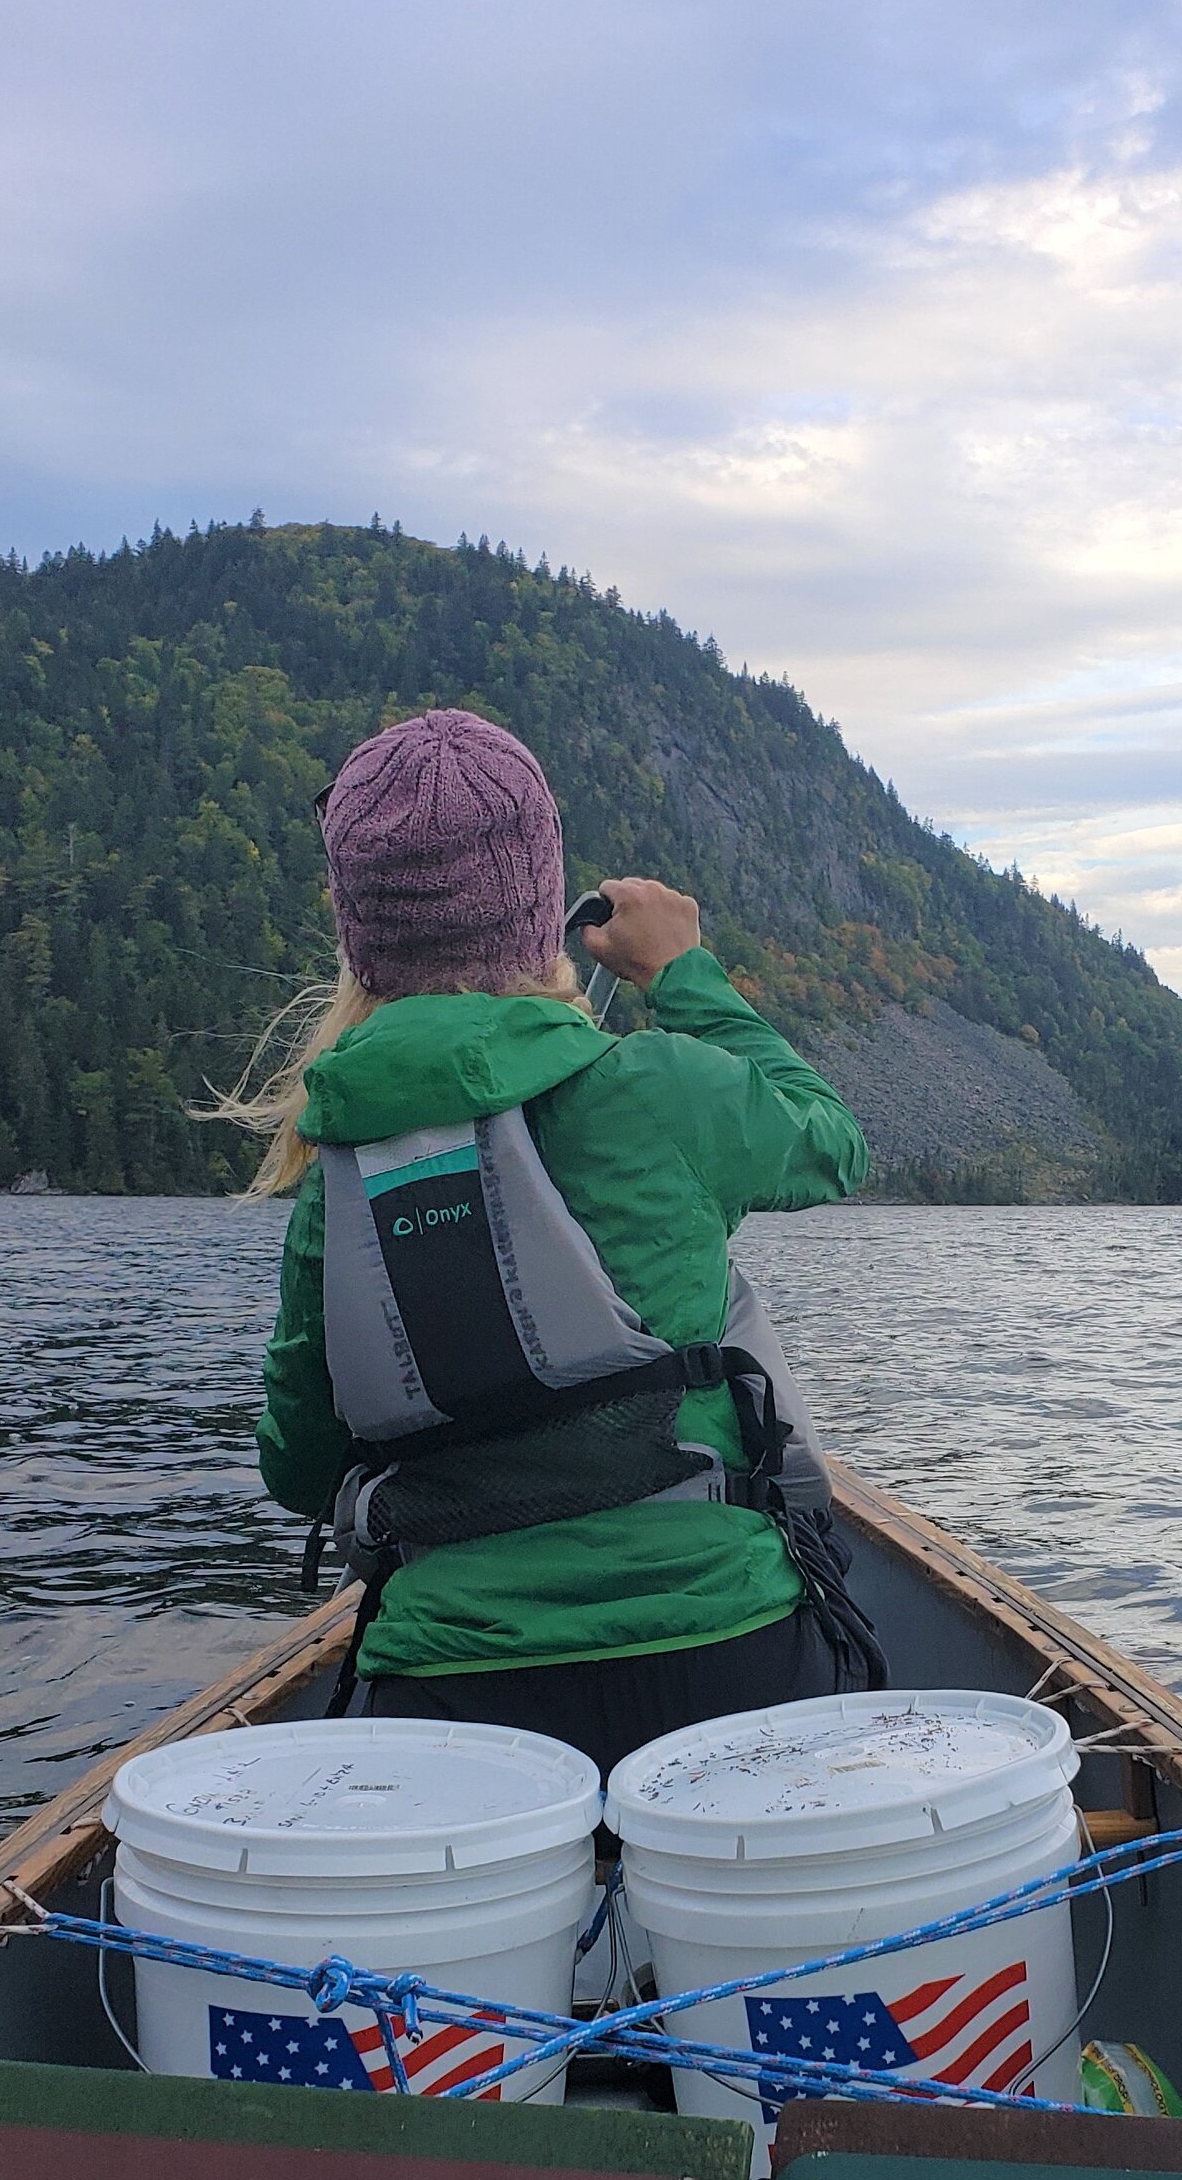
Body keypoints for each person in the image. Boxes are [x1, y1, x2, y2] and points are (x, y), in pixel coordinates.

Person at [235, 706, 874, 1775]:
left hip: (450, 1697)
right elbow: (832, 1143)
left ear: (360, 931)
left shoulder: (337, 1172)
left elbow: (300, 1471)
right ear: (543, 906)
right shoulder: (663, 1085)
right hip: (726, 1657)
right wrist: (683, 972)